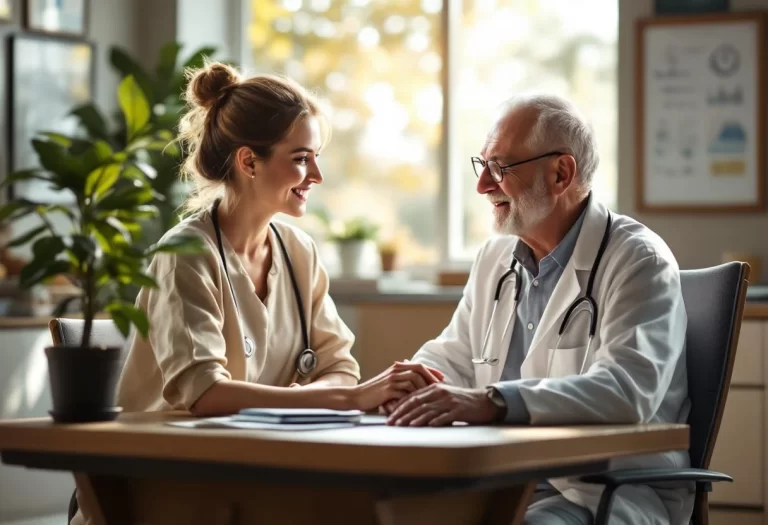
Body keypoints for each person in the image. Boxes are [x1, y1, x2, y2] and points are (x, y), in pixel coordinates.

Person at [381, 95, 691, 525]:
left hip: (597, 491)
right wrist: (403, 386)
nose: (483, 186)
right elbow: (451, 356)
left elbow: (626, 391)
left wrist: (494, 402)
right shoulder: (496, 257)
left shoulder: (639, 260)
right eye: (483, 165)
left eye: (501, 168)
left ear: (561, 173)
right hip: (499, 483)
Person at [115, 61, 443, 417]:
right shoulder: (186, 255)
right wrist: (347, 400)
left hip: (264, 454)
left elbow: (341, 370)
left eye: (316, 157)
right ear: (249, 162)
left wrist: (340, 393)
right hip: (174, 461)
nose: (316, 175)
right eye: (302, 158)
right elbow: (205, 393)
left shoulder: (298, 252)